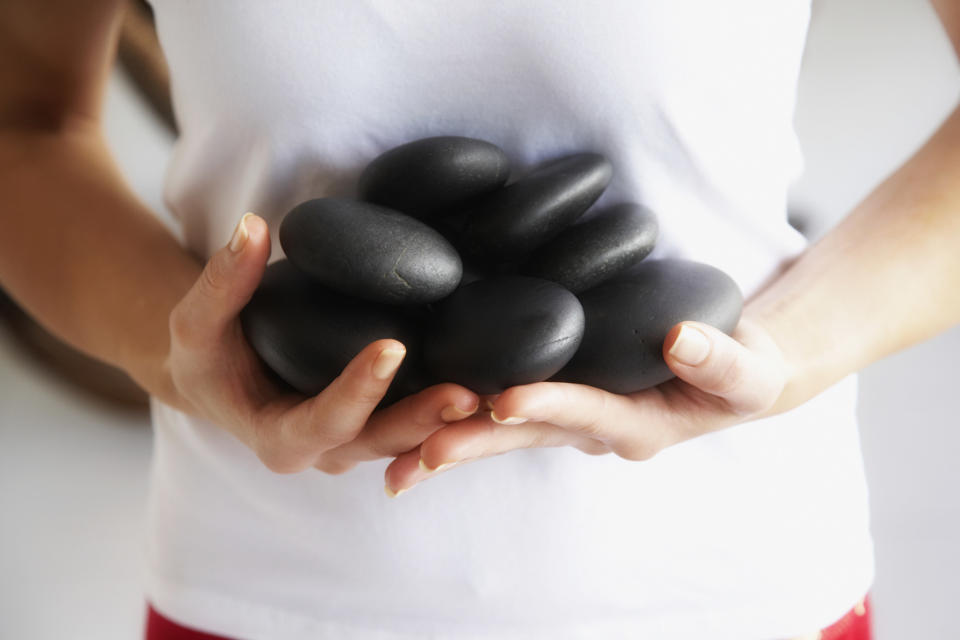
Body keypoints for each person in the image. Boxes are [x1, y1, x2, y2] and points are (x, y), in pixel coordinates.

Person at [2, 1, 958, 638]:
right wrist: (181, 361)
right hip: (268, 595)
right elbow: (24, 126)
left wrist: (780, 352)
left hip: (738, 594)